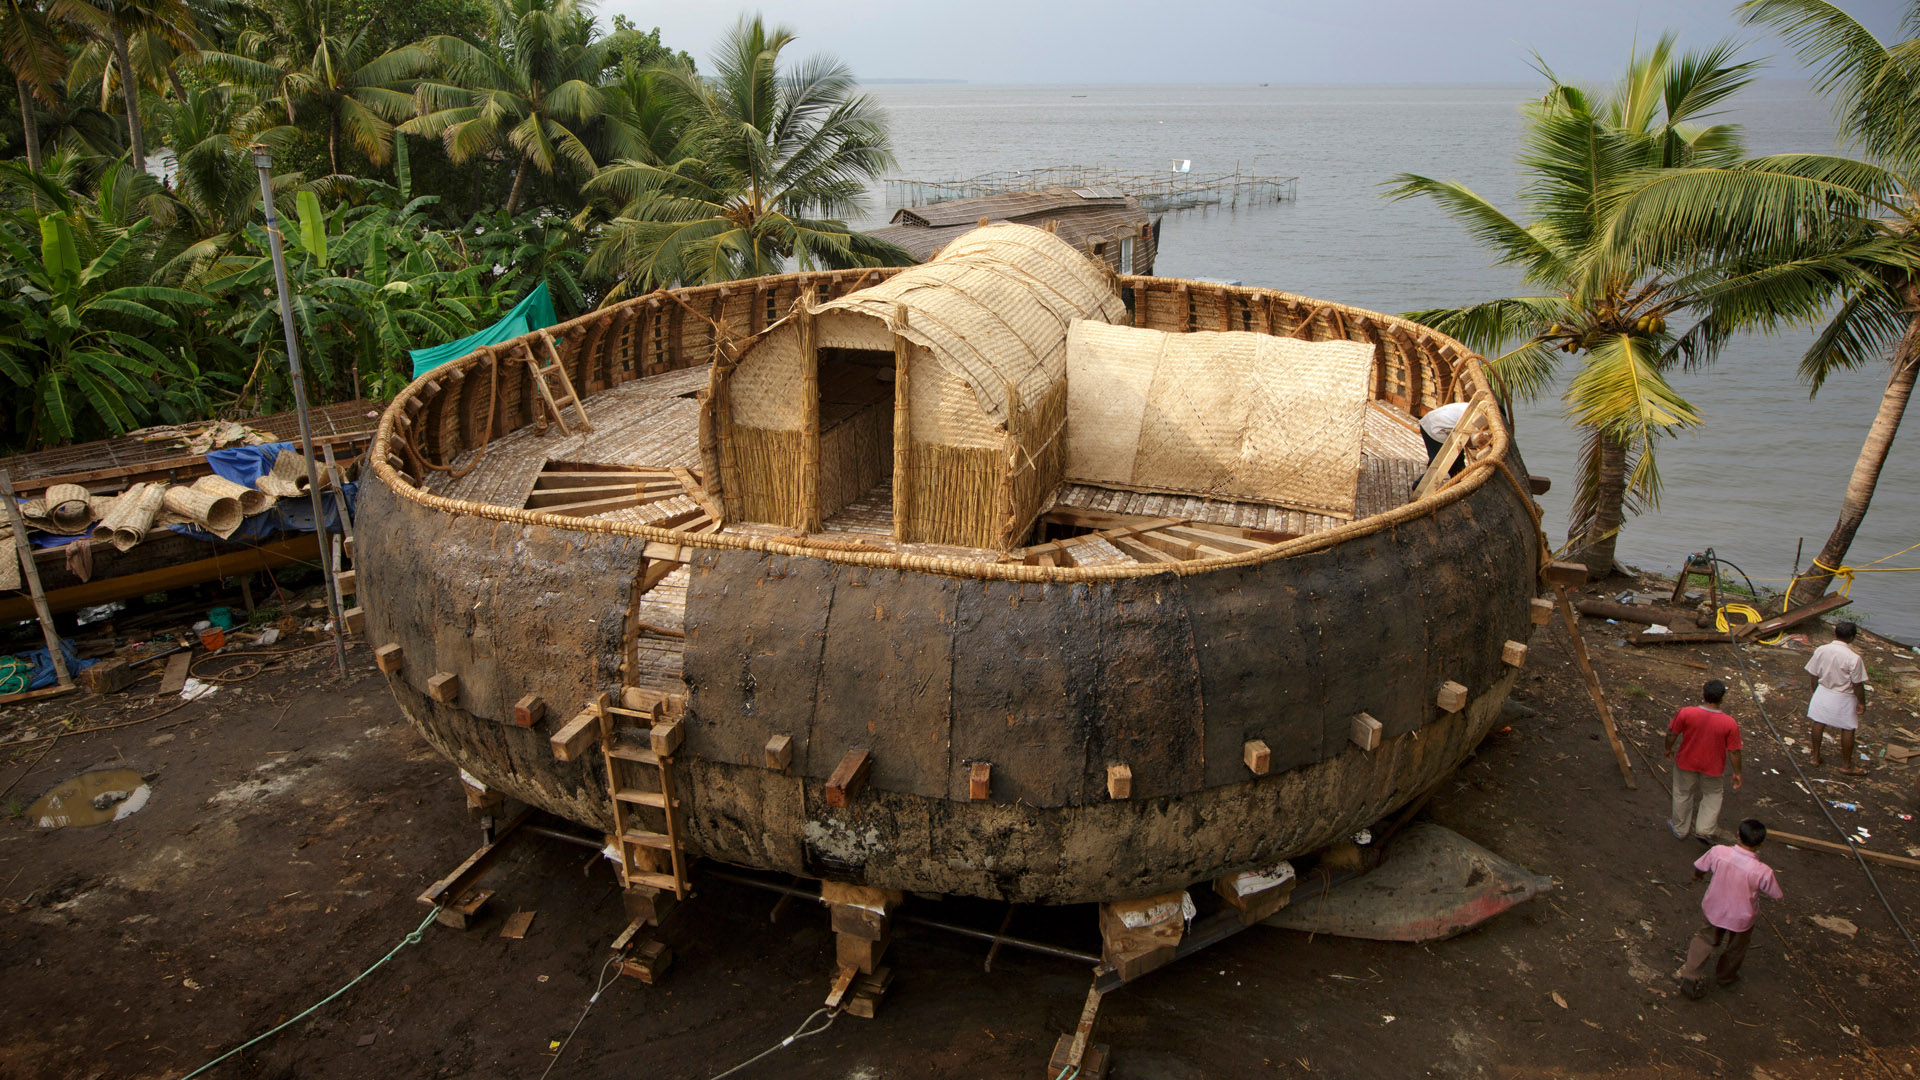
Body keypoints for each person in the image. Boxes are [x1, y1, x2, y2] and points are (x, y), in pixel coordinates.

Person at [1679, 819, 1783, 999]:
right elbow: (1775, 893)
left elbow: (1700, 867)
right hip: (1742, 917)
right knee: (1736, 948)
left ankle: (1690, 974)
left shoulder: (1719, 852)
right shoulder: (1763, 871)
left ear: (1738, 834)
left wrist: (1697, 877)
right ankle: (1726, 977)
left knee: (1704, 938)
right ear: (1761, 844)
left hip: (1714, 907)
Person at [1664, 680, 1742, 843]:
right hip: (1713, 767)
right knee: (1712, 795)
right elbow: (1734, 751)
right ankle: (1704, 829)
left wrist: (1668, 749)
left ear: (1702, 693)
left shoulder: (1686, 713)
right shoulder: (1730, 723)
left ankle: (1680, 828)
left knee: (1683, 793)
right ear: (1722, 698)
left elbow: (1672, 733)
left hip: (1686, 761)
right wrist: (1737, 772)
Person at [1806, 621, 1871, 775]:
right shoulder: (1854, 658)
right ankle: (1846, 765)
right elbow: (1857, 684)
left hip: (1824, 689)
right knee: (1848, 728)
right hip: (1844, 695)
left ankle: (1815, 756)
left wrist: (1815, 691)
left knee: (1818, 722)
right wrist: (1861, 702)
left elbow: (1813, 674)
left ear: (1835, 633)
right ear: (1852, 637)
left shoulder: (1821, 650)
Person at [1418, 401, 1471, 476]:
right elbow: (1474, 441)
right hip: (1434, 428)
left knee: (1457, 462)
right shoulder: (1476, 416)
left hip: (1434, 423)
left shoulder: (1473, 407)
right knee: (1438, 465)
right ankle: (1419, 486)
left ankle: (1459, 484)